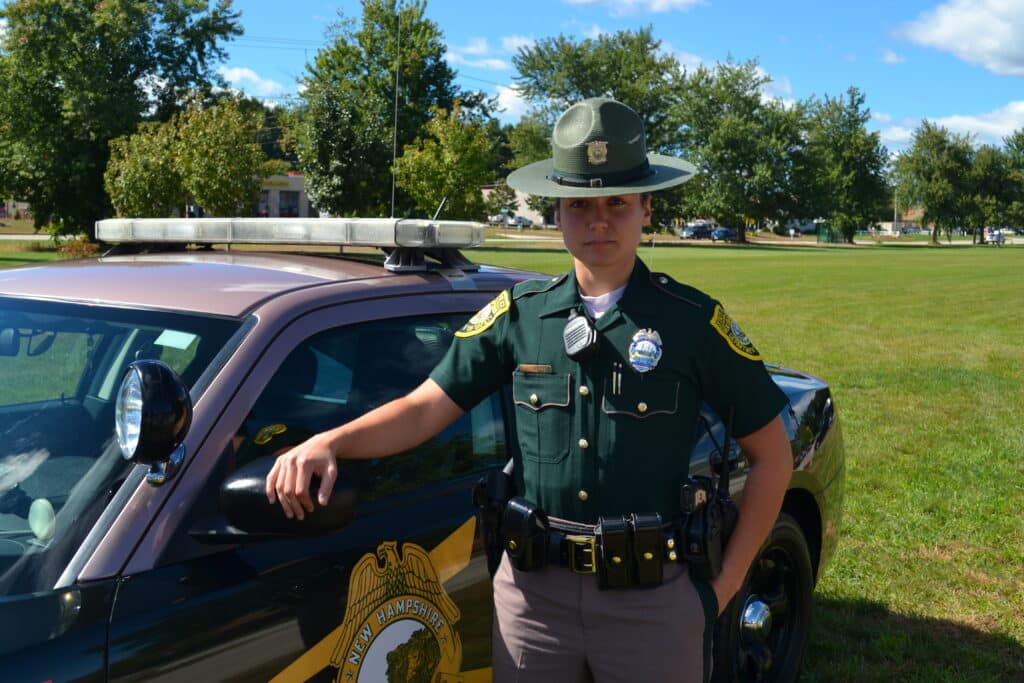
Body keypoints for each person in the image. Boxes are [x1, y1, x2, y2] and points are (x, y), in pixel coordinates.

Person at [266, 97, 792, 682]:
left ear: (647, 208)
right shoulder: (518, 316)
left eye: (617, 202)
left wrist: (720, 590)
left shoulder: (692, 322)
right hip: (534, 603)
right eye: (580, 204)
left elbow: (772, 456)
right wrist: (329, 442)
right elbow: (421, 410)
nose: (599, 221)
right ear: (557, 213)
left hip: (654, 603)